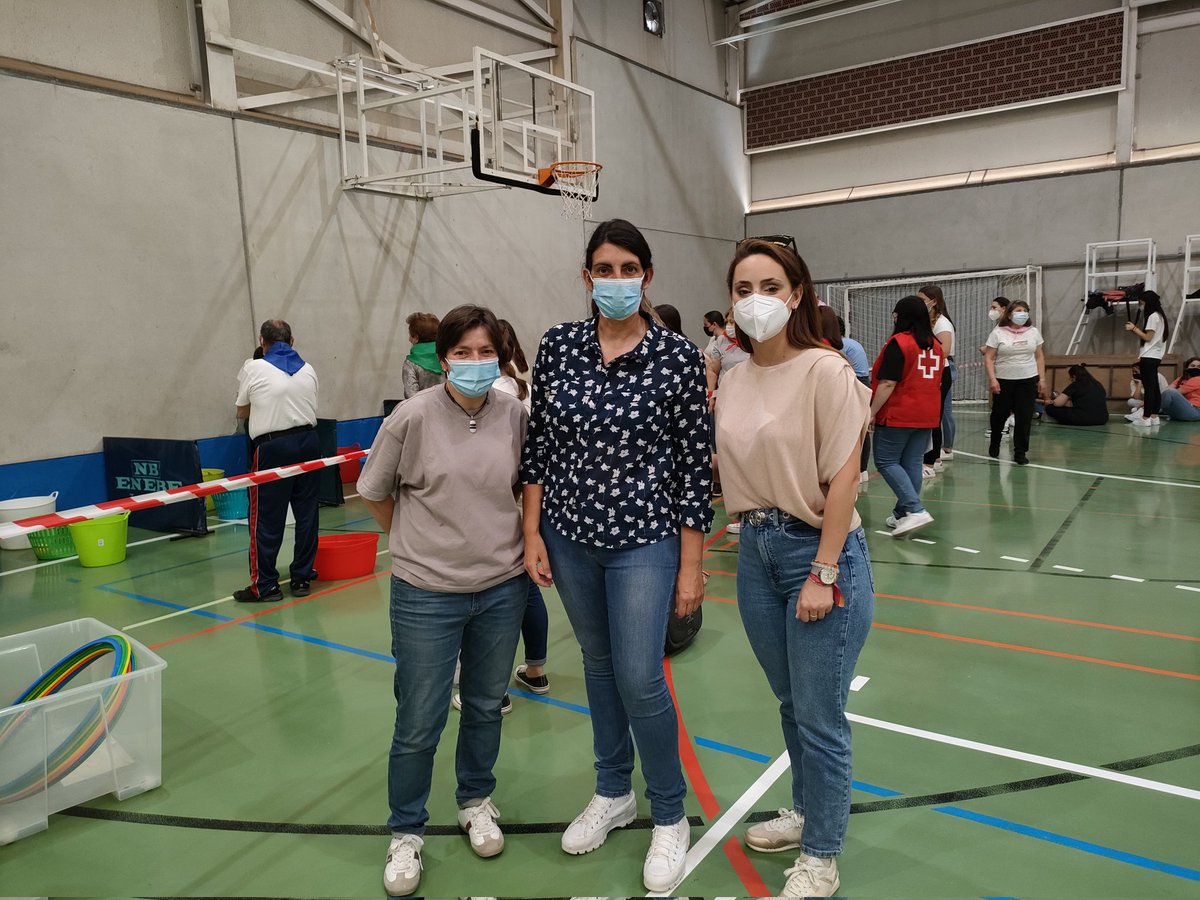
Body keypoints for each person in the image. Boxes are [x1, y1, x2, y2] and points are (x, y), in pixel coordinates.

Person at [520, 218, 711, 893]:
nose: (617, 280)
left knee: (639, 673)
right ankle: (612, 791)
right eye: (605, 269)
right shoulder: (558, 347)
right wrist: (532, 531)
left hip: (646, 539)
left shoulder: (679, 358)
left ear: (647, 276)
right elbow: (538, 445)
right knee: (598, 666)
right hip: (570, 537)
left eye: (629, 268)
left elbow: (694, 469)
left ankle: (668, 812)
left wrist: (690, 565)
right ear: (587, 276)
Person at [715, 239, 873, 898]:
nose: (757, 299)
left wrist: (826, 570)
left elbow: (844, 476)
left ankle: (823, 857)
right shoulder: (731, 374)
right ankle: (808, 812)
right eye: (744, 287)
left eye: (771, 286)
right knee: (792, 704)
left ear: (797, 294)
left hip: (816, 550)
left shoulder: (826, 370)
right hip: (756, 549)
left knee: (821, 715)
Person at [357, 305, 530, 898]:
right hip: (426, 593)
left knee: (484, 704)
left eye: (487, 353)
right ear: (444, 357)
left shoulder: (515, 415)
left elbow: (519, 487)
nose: (476, 364)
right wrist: (418, 543)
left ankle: (475, 799)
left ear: (501, 358)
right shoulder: (413, 417)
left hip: (502, 588)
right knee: (419, 719)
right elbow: (376, 493)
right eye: (464, 352)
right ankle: (405, 830)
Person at [233, 319, 320, 602]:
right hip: (309, 443)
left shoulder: (253, 366)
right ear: (292, 340)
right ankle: (302, 578)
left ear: (262, 341)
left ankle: (267, 585)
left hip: (273, 447)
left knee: (266, 518)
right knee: (307, 514)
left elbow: (241, 411)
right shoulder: (309, 369)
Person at [492, 319, 551, 697]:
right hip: (526, 499)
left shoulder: (499, 391)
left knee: (496, 598)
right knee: (527, 588)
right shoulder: (521, 385)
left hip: (504, 503)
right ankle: (535, 668)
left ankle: (491, 690)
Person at [869, 296, 944, 538]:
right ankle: (902, 513)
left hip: (899, 412)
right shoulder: (937, 345)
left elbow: (888, 382)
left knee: (886, 461)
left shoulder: (900, 343)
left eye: (896, 315)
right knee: (911, 463)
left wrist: (870, 412)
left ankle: (915, 509)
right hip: (927, 413)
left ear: (903, 317)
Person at [983, 299, 1045, 465]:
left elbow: (1039, 356)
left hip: (1027, 380)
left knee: (1024, 417)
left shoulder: (1033, 332)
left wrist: (1042, 378)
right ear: (1009, 314)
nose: (1022, 314)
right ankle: (995, 441)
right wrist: (993, 379)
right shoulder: (998, 333)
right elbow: (988, 357)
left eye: (1025, 310)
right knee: (999, 415)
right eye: (1018, 310)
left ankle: (1020, 452)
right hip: (1004, 380)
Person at [707, 304, 750, 512]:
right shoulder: (720, 342)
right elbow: (713, 370)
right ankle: (736, 507)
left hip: (749, 402)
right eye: (729, 322)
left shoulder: (752, 342)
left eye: (734, 322)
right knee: (724, 448)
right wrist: (711, 394)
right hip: (726, 401)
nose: (730, 326)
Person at [918, 285, 956, 473]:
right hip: (931, 373)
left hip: (941, 373)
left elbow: (945, 350)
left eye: (923, 299)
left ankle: (930, 462)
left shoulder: (942, 323)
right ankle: (936, 458)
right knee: (932, 416)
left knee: (935, 417)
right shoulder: (928, 322)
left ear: (933, 301)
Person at [1124, 291, 1168, 426]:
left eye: (1141, 303)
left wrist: (1133, 328)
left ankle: (1145, 418)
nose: (1140, 306)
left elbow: (1148, 337)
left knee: (1149, 388)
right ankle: (1154, 416)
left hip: (1149, 356)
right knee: (1154, 387)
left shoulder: (1153, 316)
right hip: (1156, 356)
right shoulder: (1160, 316)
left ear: (1147, 302)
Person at [836, 315, 871, 484]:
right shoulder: (852, 343)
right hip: (865, 381)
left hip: (856, 381)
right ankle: (863, 469)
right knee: (862, 427)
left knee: (852, 428)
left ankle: (856, 468)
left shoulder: (841, 346)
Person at [402, 312, 446, 399]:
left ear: (416, 338)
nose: (409, 339)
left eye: (411, 336)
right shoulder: (447, 357)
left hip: (421, 411)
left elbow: (411, 396)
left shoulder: (410, 363)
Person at [1159, 356, 1200, 422]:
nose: (1196, 368)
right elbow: (1166, 389)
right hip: (1181, 410)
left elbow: (1175, 392)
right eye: (1193, 366)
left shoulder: (1198, 379)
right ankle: (1152, 409)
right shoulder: (1181, 378)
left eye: (1199, 367)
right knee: (1168, 393)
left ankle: (1151, 411)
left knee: (1171, 393)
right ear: (1187, 367)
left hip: (1195, 411)